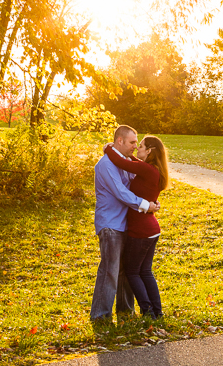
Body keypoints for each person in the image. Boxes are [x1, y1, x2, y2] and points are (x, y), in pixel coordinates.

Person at [90, 124, 160, 322]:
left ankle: (125, 311)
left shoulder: (124, 162)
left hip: (127, 224)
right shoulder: (105, 165)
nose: (134, 146)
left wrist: (151, 200)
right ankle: (101, 316)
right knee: (110, 271)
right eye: (131, 142)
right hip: (111, 224)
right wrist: (147, 205)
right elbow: (122, 193)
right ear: (119, 141)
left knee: (126, 271)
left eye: (137, 143)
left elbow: (137, 184)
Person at [103, 134, 169, 319]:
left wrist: (109, 147)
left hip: (140, 230)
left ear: (149, 151)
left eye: (140, 146)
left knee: (132, 272)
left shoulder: (146, 170)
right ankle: (157, 312)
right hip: (151, 229)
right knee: (145, 272)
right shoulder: (154, 170)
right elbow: (133, 161)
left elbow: (121, 162)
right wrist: (131, 155)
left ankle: (148, 311)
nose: (136, 149)